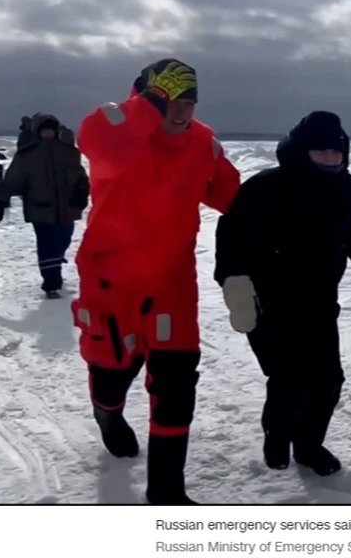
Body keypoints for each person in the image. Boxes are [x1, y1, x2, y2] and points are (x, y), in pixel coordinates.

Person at [71, 57, 241, 504]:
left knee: (176, 381)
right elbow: (93, 139)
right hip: (112, 278)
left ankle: (167, 490)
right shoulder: (119, 130)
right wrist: (149, 102)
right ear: (144, 95)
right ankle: (107, 413)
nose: (180, 111)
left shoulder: (203, 143)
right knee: (113, 369)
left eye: (188, 100)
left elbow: (233, 197)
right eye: (170, 99)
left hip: (171, 283)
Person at [214, 111, 351, 475]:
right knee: (290, 379)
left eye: (336, 151)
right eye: (320, 151)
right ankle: (277, 435)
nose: (330, 158)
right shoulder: (265, 187)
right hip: (268, 300)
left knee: (327, 381)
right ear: (300, 150)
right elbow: (231, 236)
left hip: (320, 299)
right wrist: (235, 284)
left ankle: (309, 446)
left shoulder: (348, 188)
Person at [0, 113, 90, 298]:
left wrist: (81, 195)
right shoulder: (28, 155)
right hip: (40, 209)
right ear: (38, 132)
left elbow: (80, 177)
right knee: (47, 246)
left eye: (50, 130)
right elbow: (13, 179)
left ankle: (55, 261)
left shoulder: (69, 152)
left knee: (63, 240)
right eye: (44, 131)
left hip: (67, 208)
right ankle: (51, 284)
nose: (48, 134)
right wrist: (1, 199)